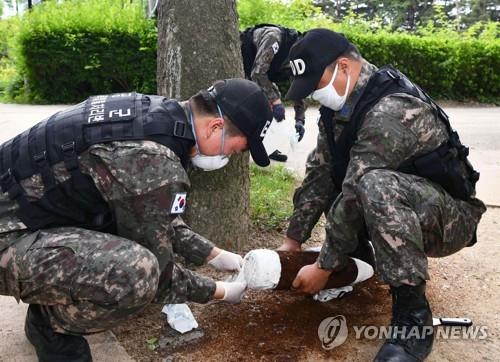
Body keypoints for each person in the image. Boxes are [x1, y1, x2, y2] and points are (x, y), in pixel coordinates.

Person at [0, 78, 273, 362]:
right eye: (241, 147)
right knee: (136, 273)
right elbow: (162, 278)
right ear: (215, 127)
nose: (235, 155)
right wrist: (221, 291)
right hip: (7, 237)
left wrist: (214, 255)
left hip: (22, 215)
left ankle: (49, 305)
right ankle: (51, 325)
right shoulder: (154, 159)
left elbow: (151, 212)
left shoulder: (157, 114)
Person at [278, 29, 486, 361]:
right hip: (410, 204)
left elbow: (354, 191)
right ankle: (360, 264)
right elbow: (320, 172)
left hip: (449, 218)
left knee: (372, 185)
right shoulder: (342, 108)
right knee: (340, 174)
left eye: (317, 84)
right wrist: (292, 241)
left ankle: (413, 319)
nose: (316, 95)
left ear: (344, 67)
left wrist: (323, 265)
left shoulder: (390, 109)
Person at [240, 24, 307, 162]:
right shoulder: (274, 37)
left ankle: (267, 146)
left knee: (270, 101)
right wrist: (275, 101)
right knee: (258, 105)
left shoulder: (299, 57)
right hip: (241, 62)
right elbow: (258, 73)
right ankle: (253, 145)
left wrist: (300, 119)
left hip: (257, 72)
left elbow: (299, 84)